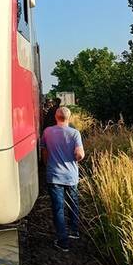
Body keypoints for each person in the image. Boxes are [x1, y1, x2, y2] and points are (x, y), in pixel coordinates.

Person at [41, 105, 85, 251]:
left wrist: (49, 165)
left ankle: (63, 241)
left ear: (56, 117)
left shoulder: (47, 132)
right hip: (71, 176)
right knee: (73, 204)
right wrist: (77, 156)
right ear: (69, 118)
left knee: (58, 209)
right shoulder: (75, 133)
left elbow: (45, 153)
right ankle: (74, 231)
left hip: (54, 176)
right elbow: (80, 155)